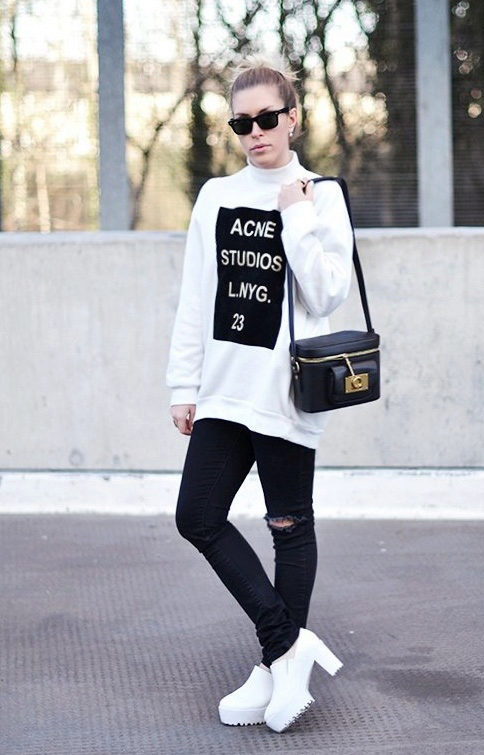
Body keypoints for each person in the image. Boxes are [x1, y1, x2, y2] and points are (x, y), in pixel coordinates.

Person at [165, 56, 354, 733]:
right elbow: (196, 295)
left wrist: (295, 216)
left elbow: (327, 294)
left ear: (292, 118)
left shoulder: (320, 195)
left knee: (288, 527)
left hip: (285, 393)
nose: (254, 133)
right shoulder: (216, 196)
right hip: (223, 390)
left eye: (266, 118)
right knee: (196, 516)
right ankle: (285, 647)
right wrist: (183, 383)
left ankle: (276, 667)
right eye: (241, 123)